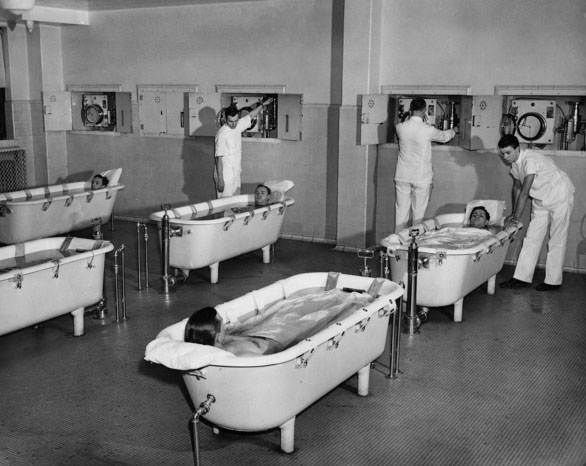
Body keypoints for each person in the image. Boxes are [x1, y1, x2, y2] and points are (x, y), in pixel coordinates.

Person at [497, 135, 575, 291]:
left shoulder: (530, 159)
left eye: (508, 152)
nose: (505, 157)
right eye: (502, 153)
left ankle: (553, 281)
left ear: (518, 149)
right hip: (540, 199)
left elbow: (525, 192)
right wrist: (513, 213)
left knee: (556, 238)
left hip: (560, 195)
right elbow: (517, 187)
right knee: (531, 237)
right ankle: (521, 278)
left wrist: (516, 218)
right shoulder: (515, 164)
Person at [394, 97, 457, 232]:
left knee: (401, 213)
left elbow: (407, 125)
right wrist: (454, 130)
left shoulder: (400, 128)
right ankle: (415, 241)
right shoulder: (428, 130)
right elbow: (444, 137)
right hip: (421, 176)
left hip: (402, 175)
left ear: (410, 109)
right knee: (418, 216)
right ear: (424, 110)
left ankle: (398, 241)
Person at [214, 98, 274, 198]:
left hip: (236, 171)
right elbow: (218, 157)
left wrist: (262, 105)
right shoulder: (222, 134)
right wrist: (220, 179)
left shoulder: (237, 126)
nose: (234, 124)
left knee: (235, 200)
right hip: (225, 174)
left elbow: (250, 116)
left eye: (236, 121)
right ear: (225, 119)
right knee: (225, 201)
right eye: (230, 121)